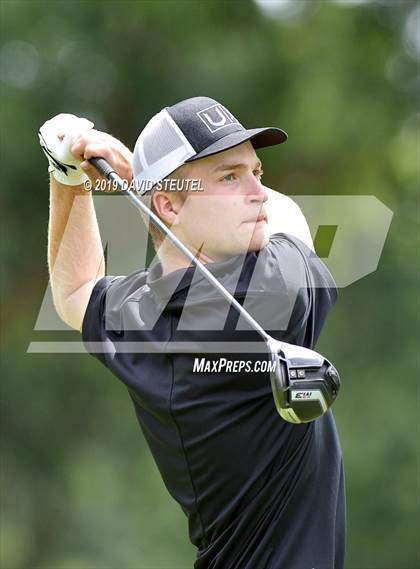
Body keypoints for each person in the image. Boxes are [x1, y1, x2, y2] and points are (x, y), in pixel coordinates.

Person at [40, 96, 346, 569]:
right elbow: (292, 220)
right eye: (230, 177)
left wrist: (68, 178)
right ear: (168, 204)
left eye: (257, 172)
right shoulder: (271, 294)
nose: (259, 192)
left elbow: (75, 290)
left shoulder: (141, 312)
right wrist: (136, 177)